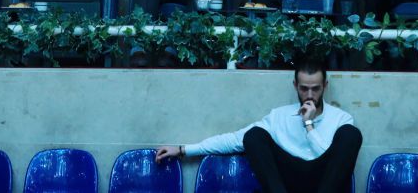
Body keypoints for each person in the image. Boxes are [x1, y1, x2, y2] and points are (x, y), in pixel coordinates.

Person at [154, 59, 362, 193]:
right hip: (285, 184)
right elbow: (235, 139)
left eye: (315, 89)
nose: (309, 95)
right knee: (254, 135)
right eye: (304, 89)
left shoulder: (341, 119)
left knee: (351, 134)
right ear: (295, 86)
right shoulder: (279, 116)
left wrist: (308, 125)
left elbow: (333, 161)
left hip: (326, 183)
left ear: (325, 86)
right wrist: (183, 149)